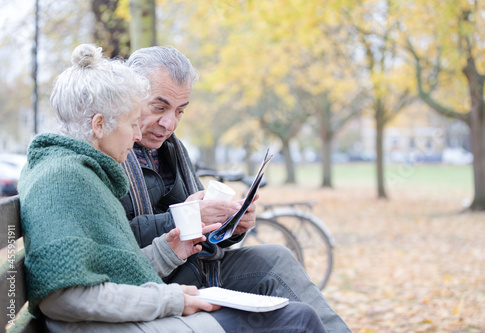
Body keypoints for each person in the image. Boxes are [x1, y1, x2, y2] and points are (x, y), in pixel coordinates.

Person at [18, 43, 328, 333]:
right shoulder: (69, 176)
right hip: (133, 309)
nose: (150, 129)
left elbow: (112, 261)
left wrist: (220, 226)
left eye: (180, 111)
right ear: (100, 124)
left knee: (279, 267)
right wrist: (174, 295)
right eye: (135, 120)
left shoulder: (84, 168)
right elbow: (67, 296)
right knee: (296, 320)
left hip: (164, 286)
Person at [121, 45, 352, 332]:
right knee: (295, 317)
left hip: (195, 266)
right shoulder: (110, 149)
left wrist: (229, 225)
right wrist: (183, 218)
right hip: (158, 277)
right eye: (159, 107)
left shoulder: (173, 149)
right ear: (128, 96)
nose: (170, 123)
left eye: (180, 111)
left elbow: (200, 228)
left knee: (276, 257)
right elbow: (112, 236)